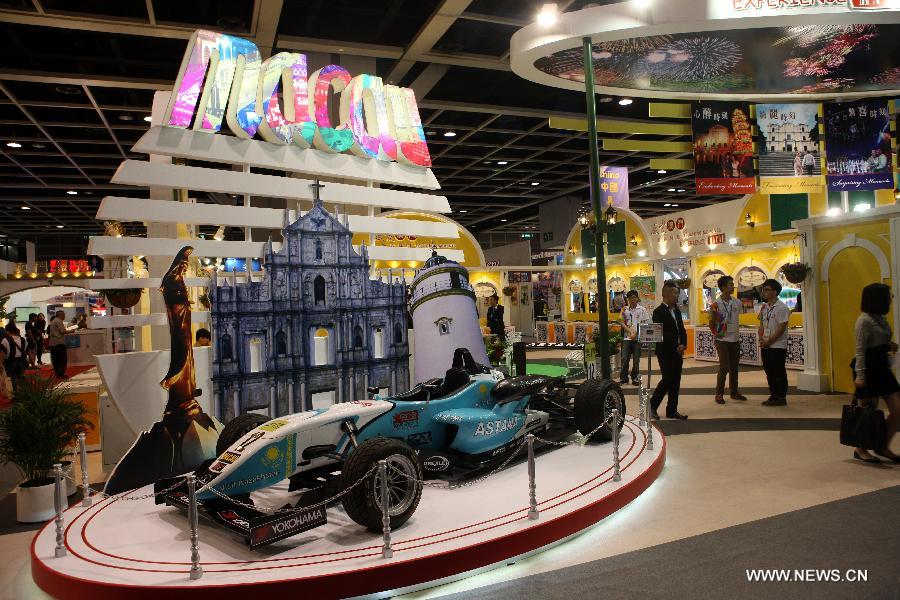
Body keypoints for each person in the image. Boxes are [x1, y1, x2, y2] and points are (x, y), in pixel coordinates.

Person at [851, 283, 900, 464]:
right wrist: (860, 376)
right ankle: (860, 448)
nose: (891, 298)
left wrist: (889, 345)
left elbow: (878, 341)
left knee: (898, 410)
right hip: (868, 369)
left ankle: (882, 444)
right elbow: (860, 350)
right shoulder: (863, 320)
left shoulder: (880, 318)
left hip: (882, 368)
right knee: (867, 413)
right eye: (888, 295)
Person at [650, 281, 688, 420]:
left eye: (678, 293)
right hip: (665, 352)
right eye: (675, 293)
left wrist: (683, 344)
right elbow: (662, 335)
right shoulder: (658, 312)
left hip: (678, 351)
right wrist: (675, 346)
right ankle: (652, 405)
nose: (677, 296)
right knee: (667, 379)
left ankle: (672, 410)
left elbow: (681, 330)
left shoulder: (677, 310)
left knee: (676, 381)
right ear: (666, 294)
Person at [708, 276, 747, 404]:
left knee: (734, 367)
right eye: (730, 284)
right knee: (724, 367)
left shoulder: (737, 302)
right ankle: (719, 394)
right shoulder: (715, 305)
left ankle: (734, 392)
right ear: (723, 287)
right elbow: (711, 322)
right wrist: (718, 336)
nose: (733, 286)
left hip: (735, 339)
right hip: (722, 340)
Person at [759, 279, 790, 406]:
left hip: (777, 345)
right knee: (769, 372)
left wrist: (770, 340)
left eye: (767, 289)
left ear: (775, 292)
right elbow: (761, 324)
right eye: (763, 289)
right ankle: (773, 394)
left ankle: (781, 397)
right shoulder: (764, 307)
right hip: (765, 344)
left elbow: (781, 328)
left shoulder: (782, 308)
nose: (764, 292)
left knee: (779, 371)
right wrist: (761, 339)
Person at [620, 290, 650, 386]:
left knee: (636, 360)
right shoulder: (624, 309)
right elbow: (620, 321)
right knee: (624, 358)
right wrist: (629, 332)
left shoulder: (642, 309)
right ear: (627, 299)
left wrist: (635, 333)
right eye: (630, 298)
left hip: (637, 338)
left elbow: (645, 323)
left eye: (634, 297)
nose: (632, 299)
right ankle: (624, 378)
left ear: (637, 298)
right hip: (626, 338)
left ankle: (635, 377)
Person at [0, 323, 28, 392]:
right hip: (22, 362)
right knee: (21, 379)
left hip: (9, 363)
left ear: (8, 331)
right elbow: (26, 351)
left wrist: (0, 363)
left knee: (13, 380)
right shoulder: (23, 340)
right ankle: (24, 394)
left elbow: (2, 353)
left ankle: (16, 395)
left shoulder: (5, 340)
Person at [48, 310, 69, 379]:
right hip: (59, 343)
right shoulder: (59, 321)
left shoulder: (53, 321)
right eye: (64, 315)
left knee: (55, 360)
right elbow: (62, 331)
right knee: (62, 359)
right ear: (60, 315)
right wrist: (71, 331)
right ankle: (60, 374)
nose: (64, 316)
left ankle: (57, 374)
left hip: (53, 343)